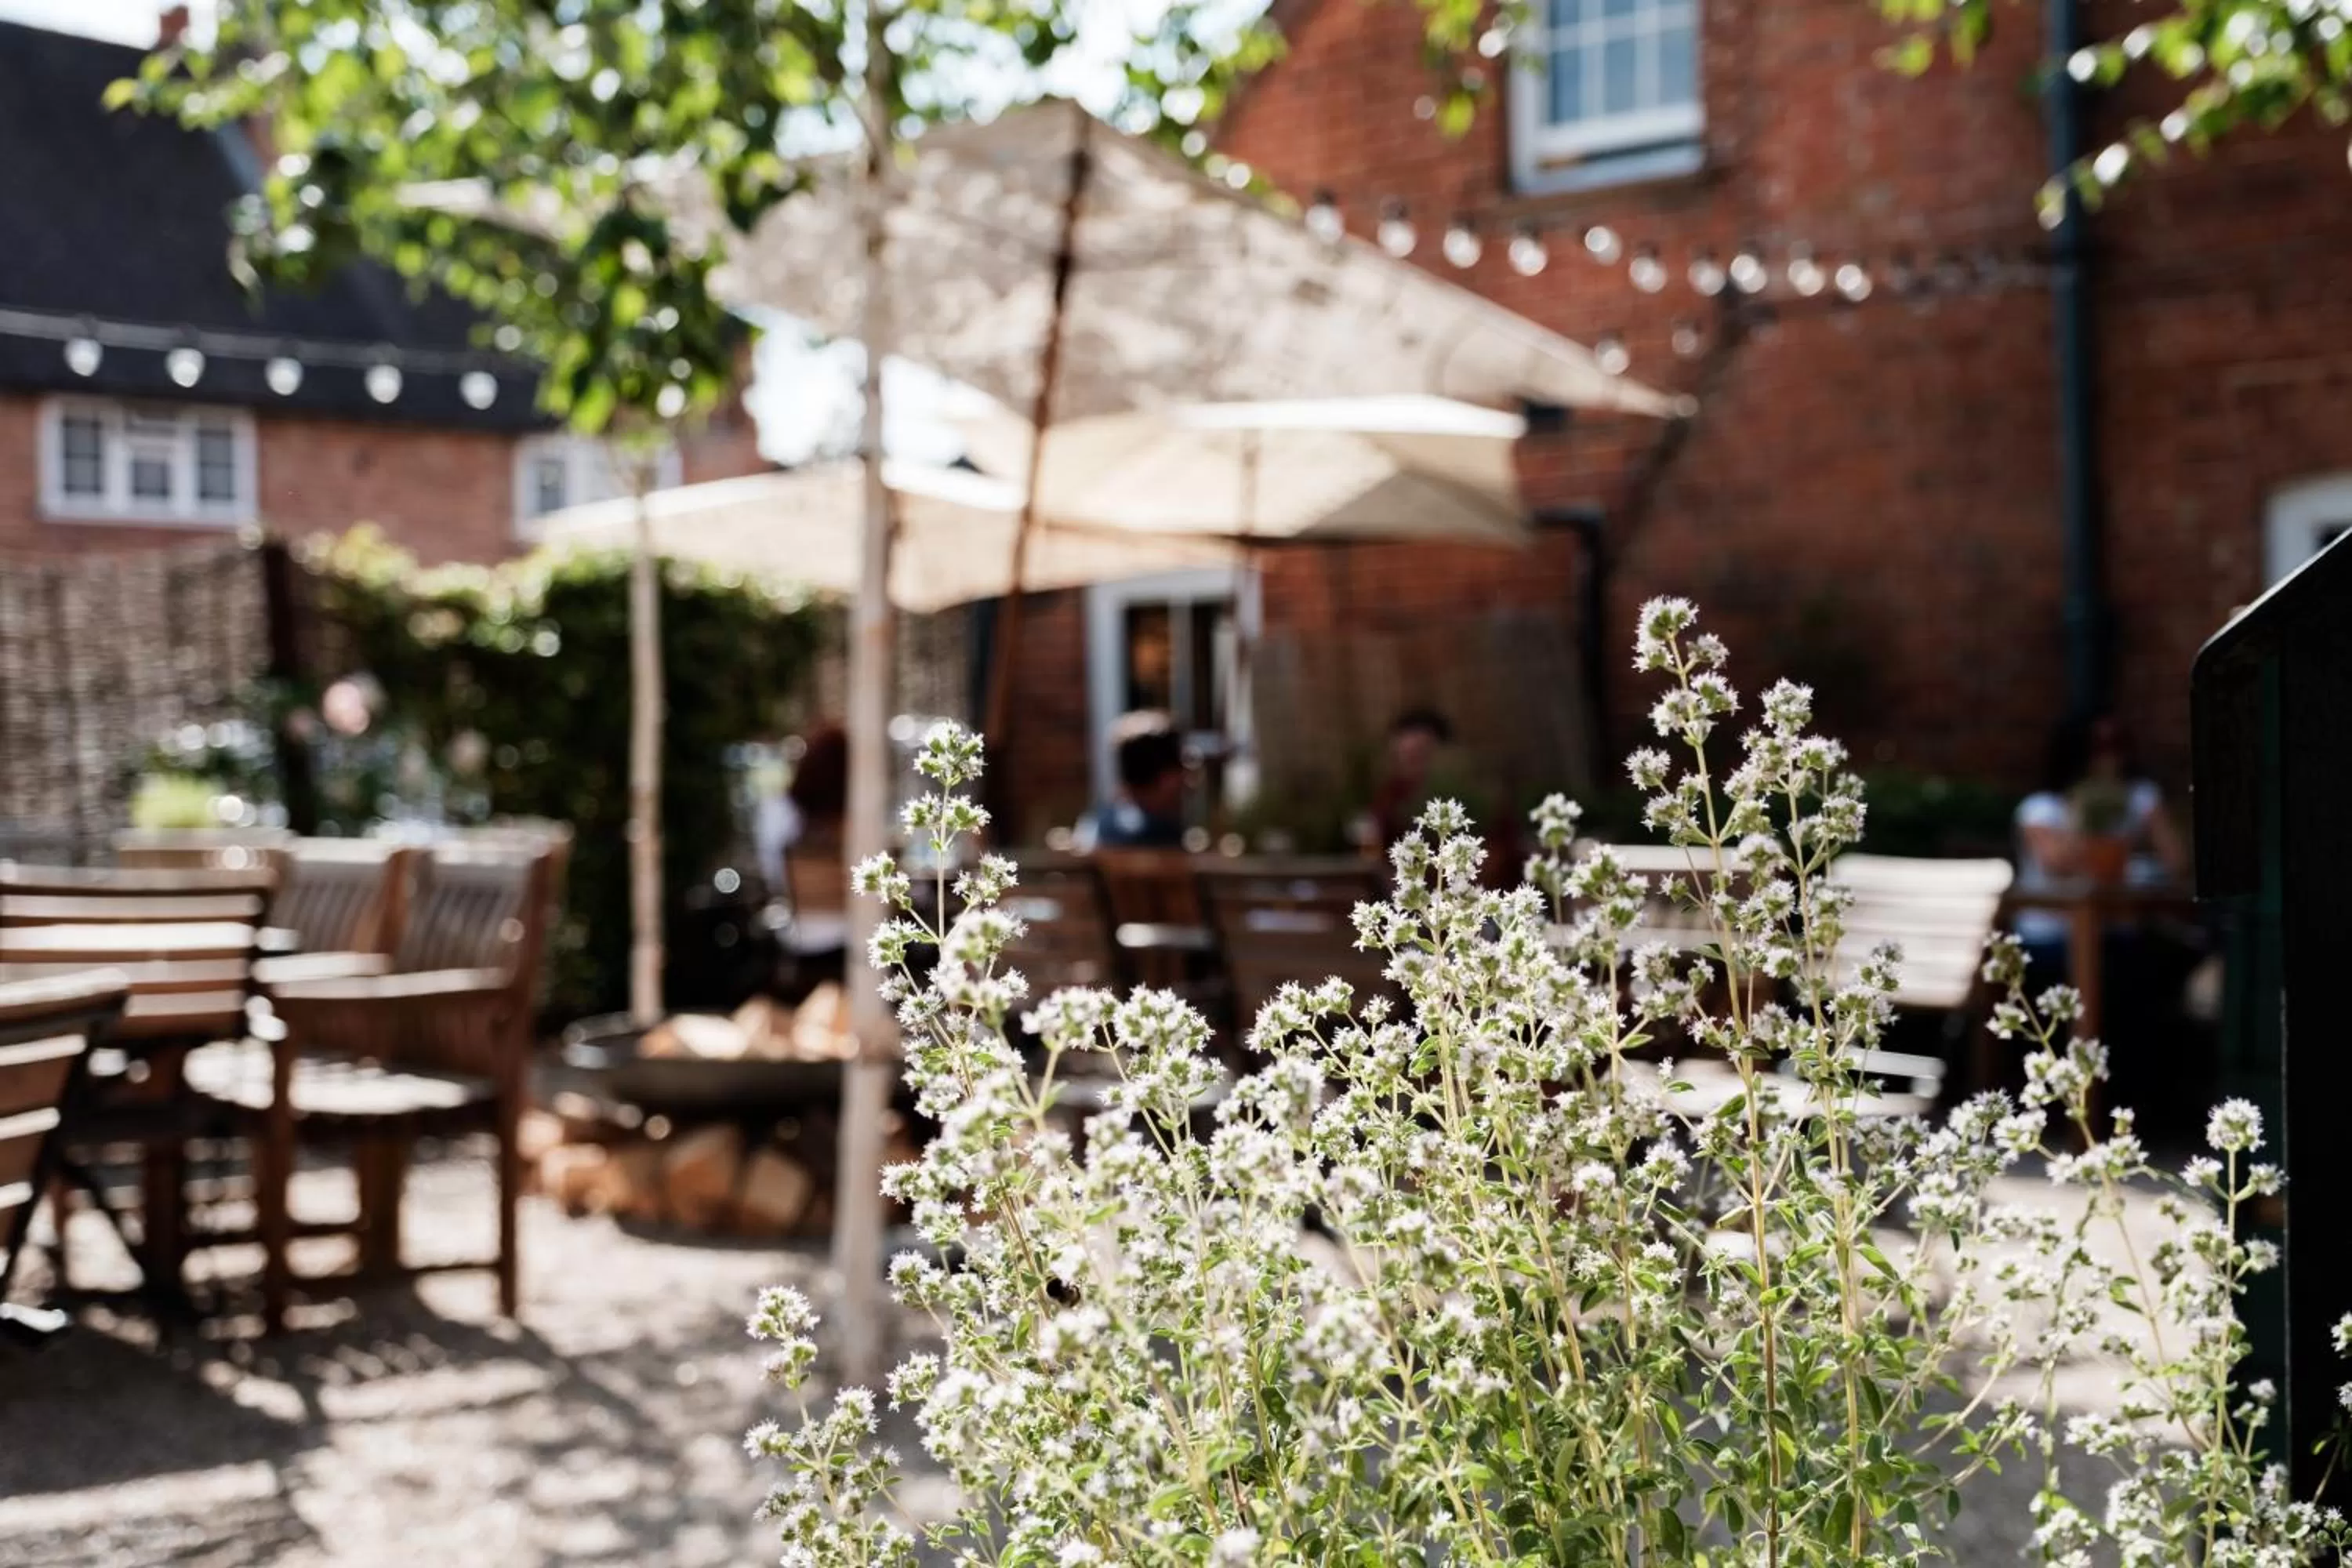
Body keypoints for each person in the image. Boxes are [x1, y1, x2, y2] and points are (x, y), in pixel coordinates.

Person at [1073, 711, 1189, 851]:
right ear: (1166, 777)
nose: (1186, 779)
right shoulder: (1155, 834)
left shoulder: (1096, 824)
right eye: (1181, 766)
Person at [1365, 707, 1454, 854]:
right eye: (1404, 757)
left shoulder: (1462, 798)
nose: (1410, 767)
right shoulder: (1389, 796)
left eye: (1420, 756)